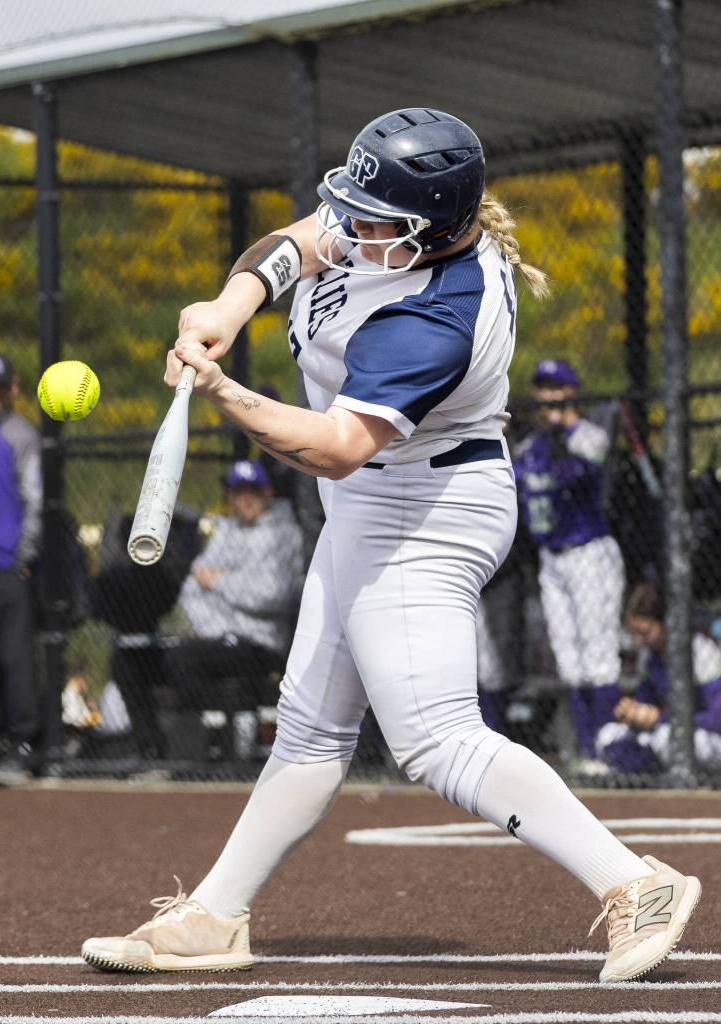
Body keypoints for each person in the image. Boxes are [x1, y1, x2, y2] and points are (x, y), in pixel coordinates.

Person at [83, 107, 700, 983]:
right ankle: (214, 920)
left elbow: (335, 447)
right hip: (373, 500)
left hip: (427, 503)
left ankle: (634, 883)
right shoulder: (395, 220)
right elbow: (299, 240)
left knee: (436, 738)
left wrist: (223, 389)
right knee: (305, 729)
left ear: (432, 230)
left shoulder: (438, 314)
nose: (353, 230)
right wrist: (230, 303)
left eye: (378, 225)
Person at [512, 360, 625, 772]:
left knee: (598, 652)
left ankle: (609, 747)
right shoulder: (532, 445)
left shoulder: (588, 435)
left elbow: (586, 469)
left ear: (572, 391)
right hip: (551, 557)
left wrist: (562, 431)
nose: (548, 397)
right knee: (567, 655)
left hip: (589, 551)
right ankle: (585, 752)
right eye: (542, 388)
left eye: (556, 388)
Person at [170, 459, 304, 717]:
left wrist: (219, 581)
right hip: (214, 637)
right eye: (237, 492)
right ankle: (154, 748)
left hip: (260, 643)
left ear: (268, 492)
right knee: (133, 661)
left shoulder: (285, 534)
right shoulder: (225, 531)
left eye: (252, 491)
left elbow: (272, 595)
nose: (244, 499)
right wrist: (215, 628)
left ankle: (222, 734)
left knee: (182, 660)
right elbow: (191, 588)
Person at [0, 352, 42, 786]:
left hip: (6, 567)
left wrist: (23, 557)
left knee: (14, 660)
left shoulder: (20, 435)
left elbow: (35, 501)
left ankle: (22, 746)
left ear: (12, 389)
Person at [596, 582, 721, 774]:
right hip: (664, 730)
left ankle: (644, 771)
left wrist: (659, 718)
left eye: (645, 633)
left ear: (666, 625)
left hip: (707, 738)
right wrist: (633, 712)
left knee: (667, 739)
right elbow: (647, 701)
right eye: (634, 633)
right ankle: (642, 772)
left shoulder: (702, 651)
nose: (638, 640)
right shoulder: (650, 655)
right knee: (607, 735)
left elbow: (715, 719)